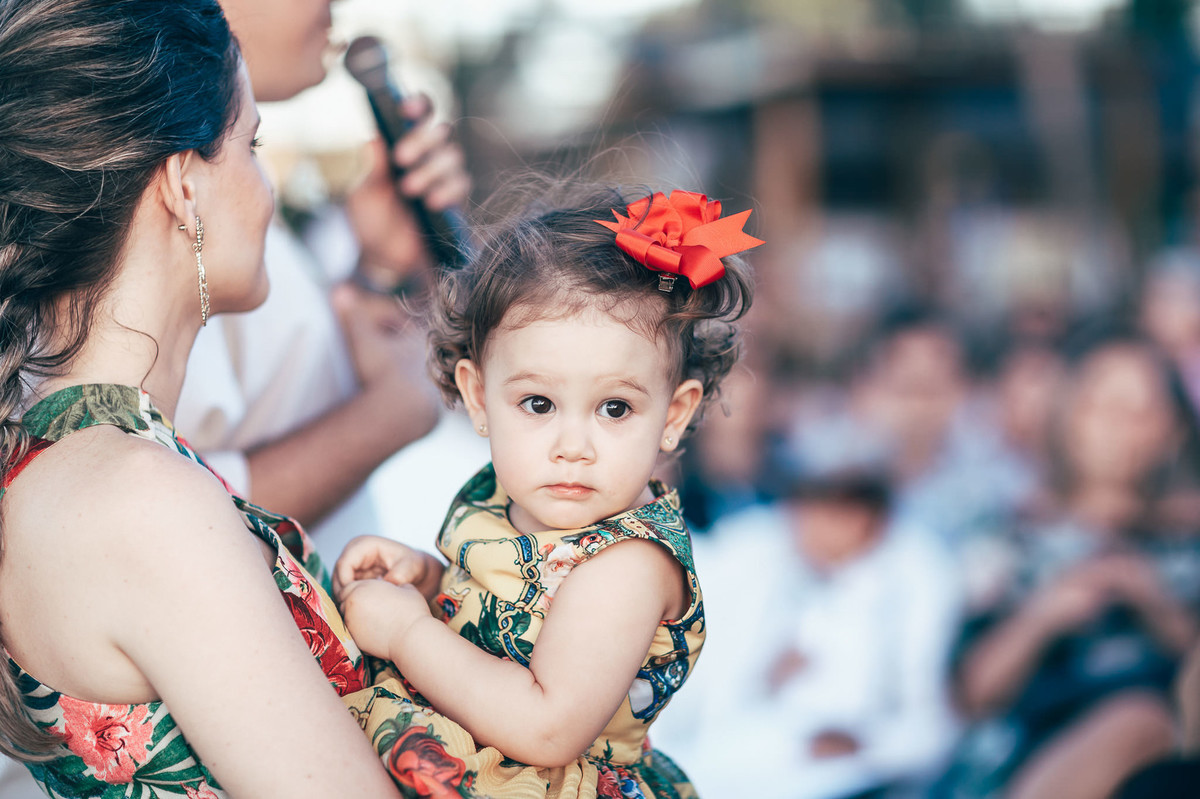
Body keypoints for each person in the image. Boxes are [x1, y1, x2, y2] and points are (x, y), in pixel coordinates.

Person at [0, 1, 436, 794]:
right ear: (184, 189)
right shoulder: (139, 496)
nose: (266, 187)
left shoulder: (73, 457)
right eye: (252, 144)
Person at [332, 186, 760, 796]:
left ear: (674, 413)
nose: (573, 445)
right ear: (479, 397)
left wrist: (407, 633)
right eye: (538, 404)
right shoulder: (513, 499)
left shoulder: (627, 565)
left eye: (615, 408)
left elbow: (547, 727)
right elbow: (506, 613)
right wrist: (428, 584)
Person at [176, 0, 473, 563]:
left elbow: (283, 386)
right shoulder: (164, 190)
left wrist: (379, 266)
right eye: (252, 147)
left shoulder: (220, 173)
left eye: (255, 145)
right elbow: (160, 519)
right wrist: (393, 414)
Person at [936, 329, 1200, 799]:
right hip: (1025, 756)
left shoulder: (1187, 544)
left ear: (1174, 430)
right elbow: (969, 695)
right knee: (1138, 721)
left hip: (1165, 760)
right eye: (1102, 406)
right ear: (1066, 415)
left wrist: (1157, 605)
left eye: (1141, 410)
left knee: (1146, 722)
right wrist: (1045, 614)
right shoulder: (1006, 538)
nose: (1121, 427)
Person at [658, 466, 961, 799]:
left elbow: (927, 720)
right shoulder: (767, 559)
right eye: (803, 513)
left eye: (826, 516)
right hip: (754, 742)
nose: (805, 527)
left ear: (865, 520)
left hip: (851, 763)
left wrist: (870, 745)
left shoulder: (913, 578)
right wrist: (768, 674)